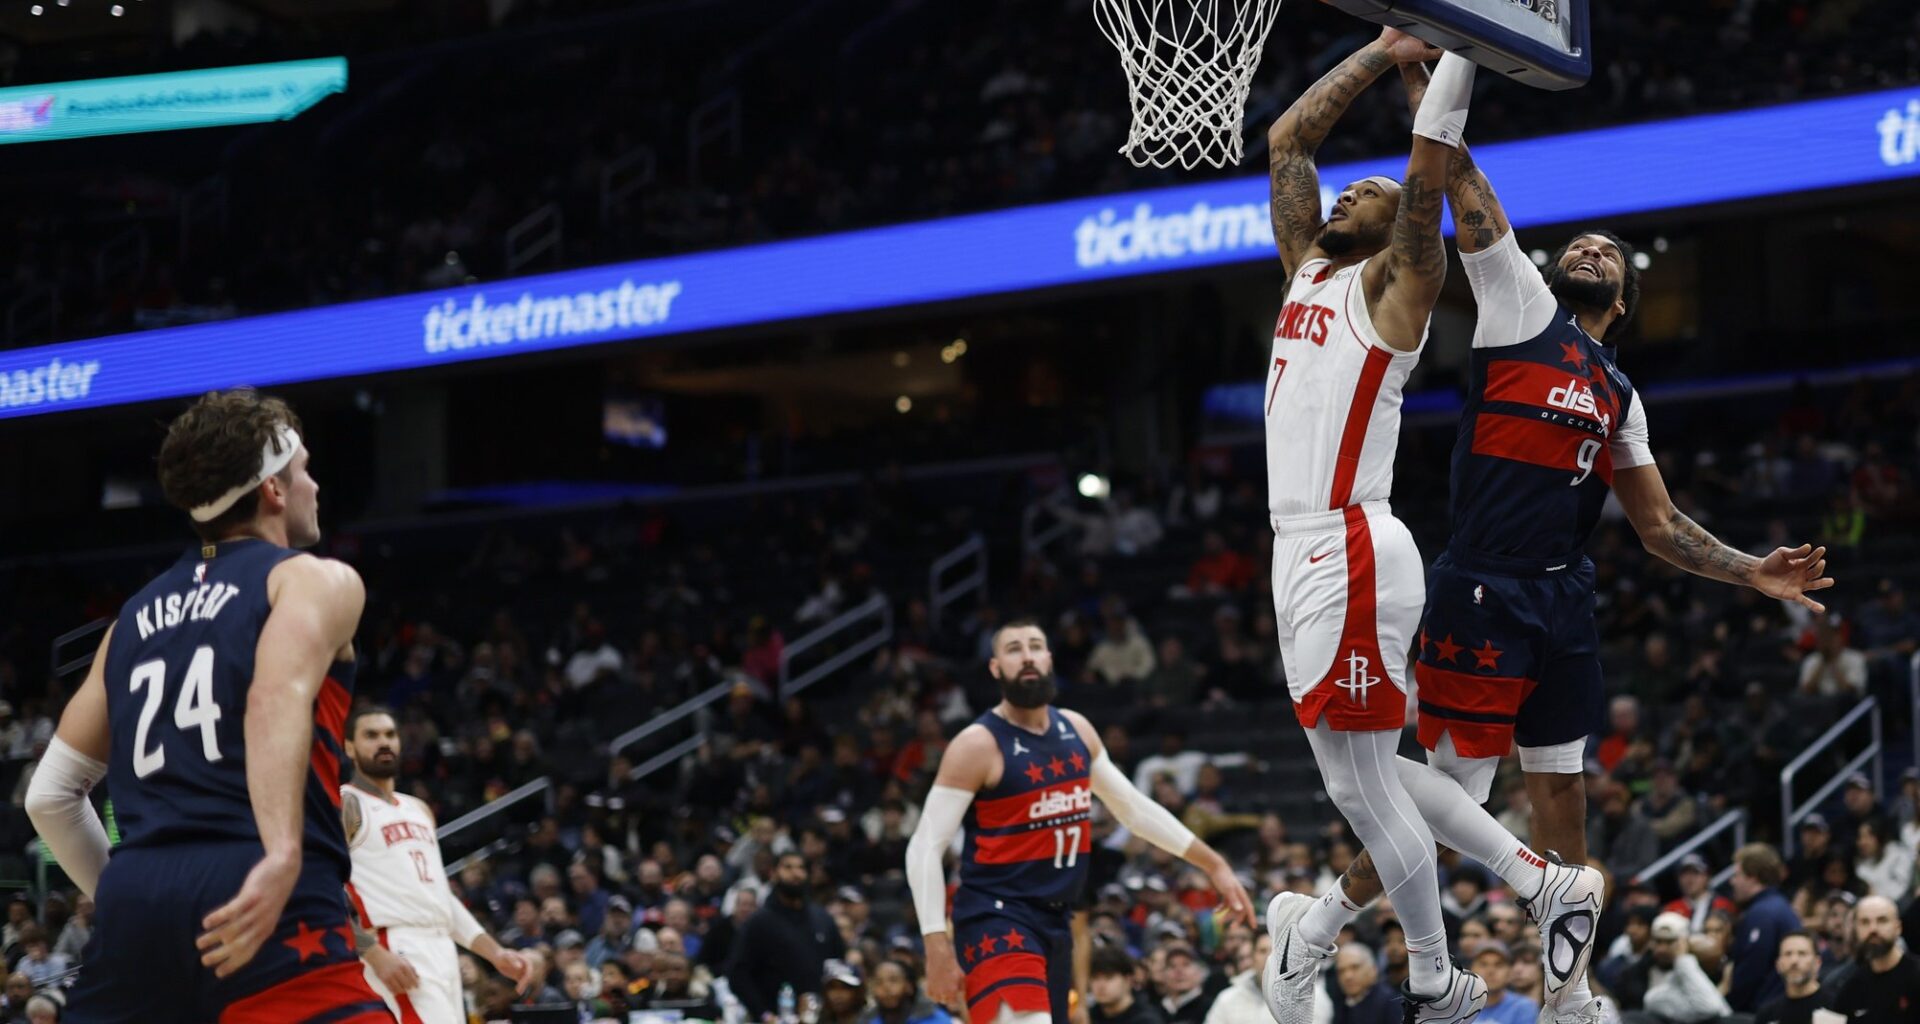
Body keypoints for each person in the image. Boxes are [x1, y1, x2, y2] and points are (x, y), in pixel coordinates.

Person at [1319, 50, 1834, 1024]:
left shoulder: (1618, 392)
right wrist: (1430, 67)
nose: (1595, 247)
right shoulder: (1523, 306)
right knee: (1440, 805)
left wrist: (1753, 574)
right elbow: (1456, 172)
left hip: (1562, 596)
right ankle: (1325, 921)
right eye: (1586, 242)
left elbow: (1659, 525)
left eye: (1613, 252)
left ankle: (1569, 987)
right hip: (1480, 583)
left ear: (1627, 301)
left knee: (1565, 802)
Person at [1264, 41, 1616, 1024]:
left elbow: (1428, 162)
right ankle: (1527, 889)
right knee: (1366, 779)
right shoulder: (1308, 272)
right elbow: (1289, 142)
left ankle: (1435, 974)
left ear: (1397, 229)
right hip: (1298, 547)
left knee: (1369, 782)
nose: (1347, 195)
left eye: (1367, 193)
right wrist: (1379, 50)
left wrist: (1459, 43)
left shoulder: (1399, 284)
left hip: (1353, 545)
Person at [24, 389, 395, 1024]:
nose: (313, 484)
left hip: (136, 905)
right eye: (303, 468)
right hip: (262, 890)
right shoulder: (310, 578)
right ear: (274, 489)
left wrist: (123, 898)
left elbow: (50, 796)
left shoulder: (132, 617)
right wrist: (280, 854)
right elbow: (274, 694)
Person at [905, 620, 1252, 1024]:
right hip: (996, 918)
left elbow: (1133, 809)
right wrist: (934, 942)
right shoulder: (977, 744)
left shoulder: (1077, 730)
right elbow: (924, 846)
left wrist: (1215, 864)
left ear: (1049, 659)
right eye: (1014, 649)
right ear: (996, 668)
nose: (1028, 655)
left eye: (1036, 645)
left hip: (1056, 922)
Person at [340, 705, 538, 1022]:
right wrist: (372, 952)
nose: (383, 743)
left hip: (442, 947)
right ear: (349, 746)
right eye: (371, 735)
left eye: (390, 734)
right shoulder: (346, 802)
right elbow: (322, 885)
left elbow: (440, 898)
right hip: (395, 943)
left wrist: (495, 953)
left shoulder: (418, 808)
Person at [726, 851, 847, 1020]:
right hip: (777, 1015)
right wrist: (763, 1014)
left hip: (821, 1016)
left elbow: (838, 966)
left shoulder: (823, 918)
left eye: (801, 868)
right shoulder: (758, 922)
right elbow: (738, 975)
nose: (795, 873)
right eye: (788, 867)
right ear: (774, 873)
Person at [1730, 844, 1804, 1012]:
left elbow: (1751, 972)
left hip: (1764, 1010)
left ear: (1753, 877)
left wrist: (1731, 1005)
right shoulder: (1778, 905)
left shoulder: (1762, 913)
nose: (1732, 881)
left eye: (1737, 875)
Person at [1627, 912, 1731, 1024]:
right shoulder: (1635, 973)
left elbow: (1713, 1009)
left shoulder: (1701, 969)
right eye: (1658, 941)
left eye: (1670, 942)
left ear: (1684, 944)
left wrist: (1683, 960)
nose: (1662, 949)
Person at [1830, 895, 1920, 1022]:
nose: (1873, 929)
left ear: (1898, 927)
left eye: (1882, 920)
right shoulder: (1851, 988)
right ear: (1856, 930)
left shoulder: (1916, 975)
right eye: (1865, 922)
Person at [1754, 932, 1832, 1024]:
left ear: (1817, 963)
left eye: (1802, 954)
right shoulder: (1767, 1014)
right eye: (1788, 954)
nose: (1794, 960)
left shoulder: (1834, 1006)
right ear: (1778, 964)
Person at [1087, 945, 1164, 1024]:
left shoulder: (1147, 1019)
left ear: (1128, 980)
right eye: (1095, 978)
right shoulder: (1087, 1017)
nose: (1101, 986)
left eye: (1109, 978)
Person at [861, 958, 951, 1024]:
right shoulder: (866, 1020)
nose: (886, 987)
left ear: (909, 986)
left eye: (893, 980)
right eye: (879, 982)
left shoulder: (935, 1018)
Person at [1662, 855, 1737, 933]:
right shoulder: (1671, 909)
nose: (1689, 879)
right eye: (1684, 874)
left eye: (1695, 873)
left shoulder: (1722, 905)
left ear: (1707, 876)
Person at [1468, 941, 1537, 1024]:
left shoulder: (1524, 1008)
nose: (1490, 971)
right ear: (1470, 970)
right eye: (1483, 964)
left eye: (1498, 965)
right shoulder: (1455, 1007)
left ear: (1509, 972)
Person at [1331, 945, 1399, 1024]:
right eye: (1341, 971)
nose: (1347, 976)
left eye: (1355, 967)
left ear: (1372, 970)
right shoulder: (1339, 1005)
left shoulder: (1391, 1003)